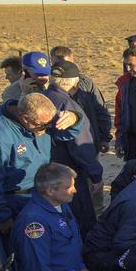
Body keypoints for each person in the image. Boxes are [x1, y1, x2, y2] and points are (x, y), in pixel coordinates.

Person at [0, 91, 82, 263]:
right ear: (25, 119)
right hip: (15, 203)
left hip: (42, 194)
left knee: (53, 249)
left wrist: (73, 118)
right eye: (42, 125)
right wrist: (3, 218)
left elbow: (66, 133)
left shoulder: (41, 119)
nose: (46, 129)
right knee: (25, 258)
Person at [46, 63, 105, 236]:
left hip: (47, 174)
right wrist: (96, 176)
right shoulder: (68, 106)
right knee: (81, 220)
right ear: (75, 84)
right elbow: (80, 146)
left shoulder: (43, 99)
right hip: (70, 174)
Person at [49, 51, 113, 152]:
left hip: (88, 140)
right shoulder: (46, 86)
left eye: (66, 63)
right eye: (56, 65)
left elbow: (100, 109)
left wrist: (104, 137)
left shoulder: (85, 83)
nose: (62, 68)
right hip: (60, 147)